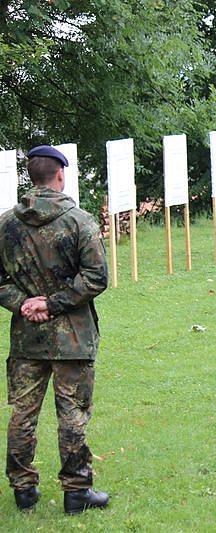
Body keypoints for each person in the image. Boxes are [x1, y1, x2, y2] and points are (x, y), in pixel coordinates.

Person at [0, 145, 109, 514]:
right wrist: (54, 303)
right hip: (72, 340)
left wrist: (26, 303)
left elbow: (0, 281)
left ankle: (23, 489)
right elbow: (96, 277)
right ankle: (76, 492)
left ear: (32, 176)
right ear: (60, 175)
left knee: (22, 414)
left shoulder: (5, 224)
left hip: (27, 338)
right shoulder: (80, 222)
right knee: (72, 414)